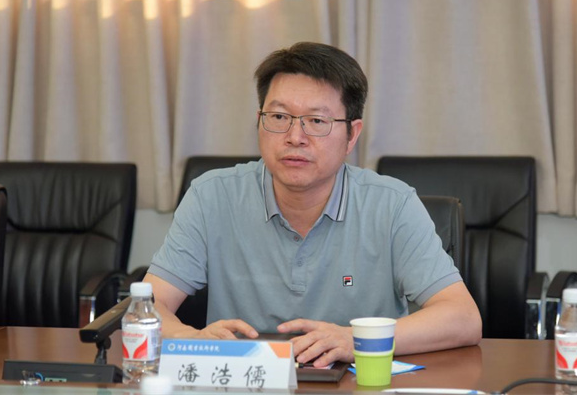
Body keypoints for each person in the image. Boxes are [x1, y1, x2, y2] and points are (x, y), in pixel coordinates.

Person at [143, 42, 481, 367]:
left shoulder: (393, 206)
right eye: (279, 117)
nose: (295, 137)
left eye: (317, 121)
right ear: (259, 121)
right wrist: (193, 339)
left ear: (352, 135)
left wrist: (355, 340)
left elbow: (463, 317)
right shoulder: (211, 197)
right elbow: (147, 306)